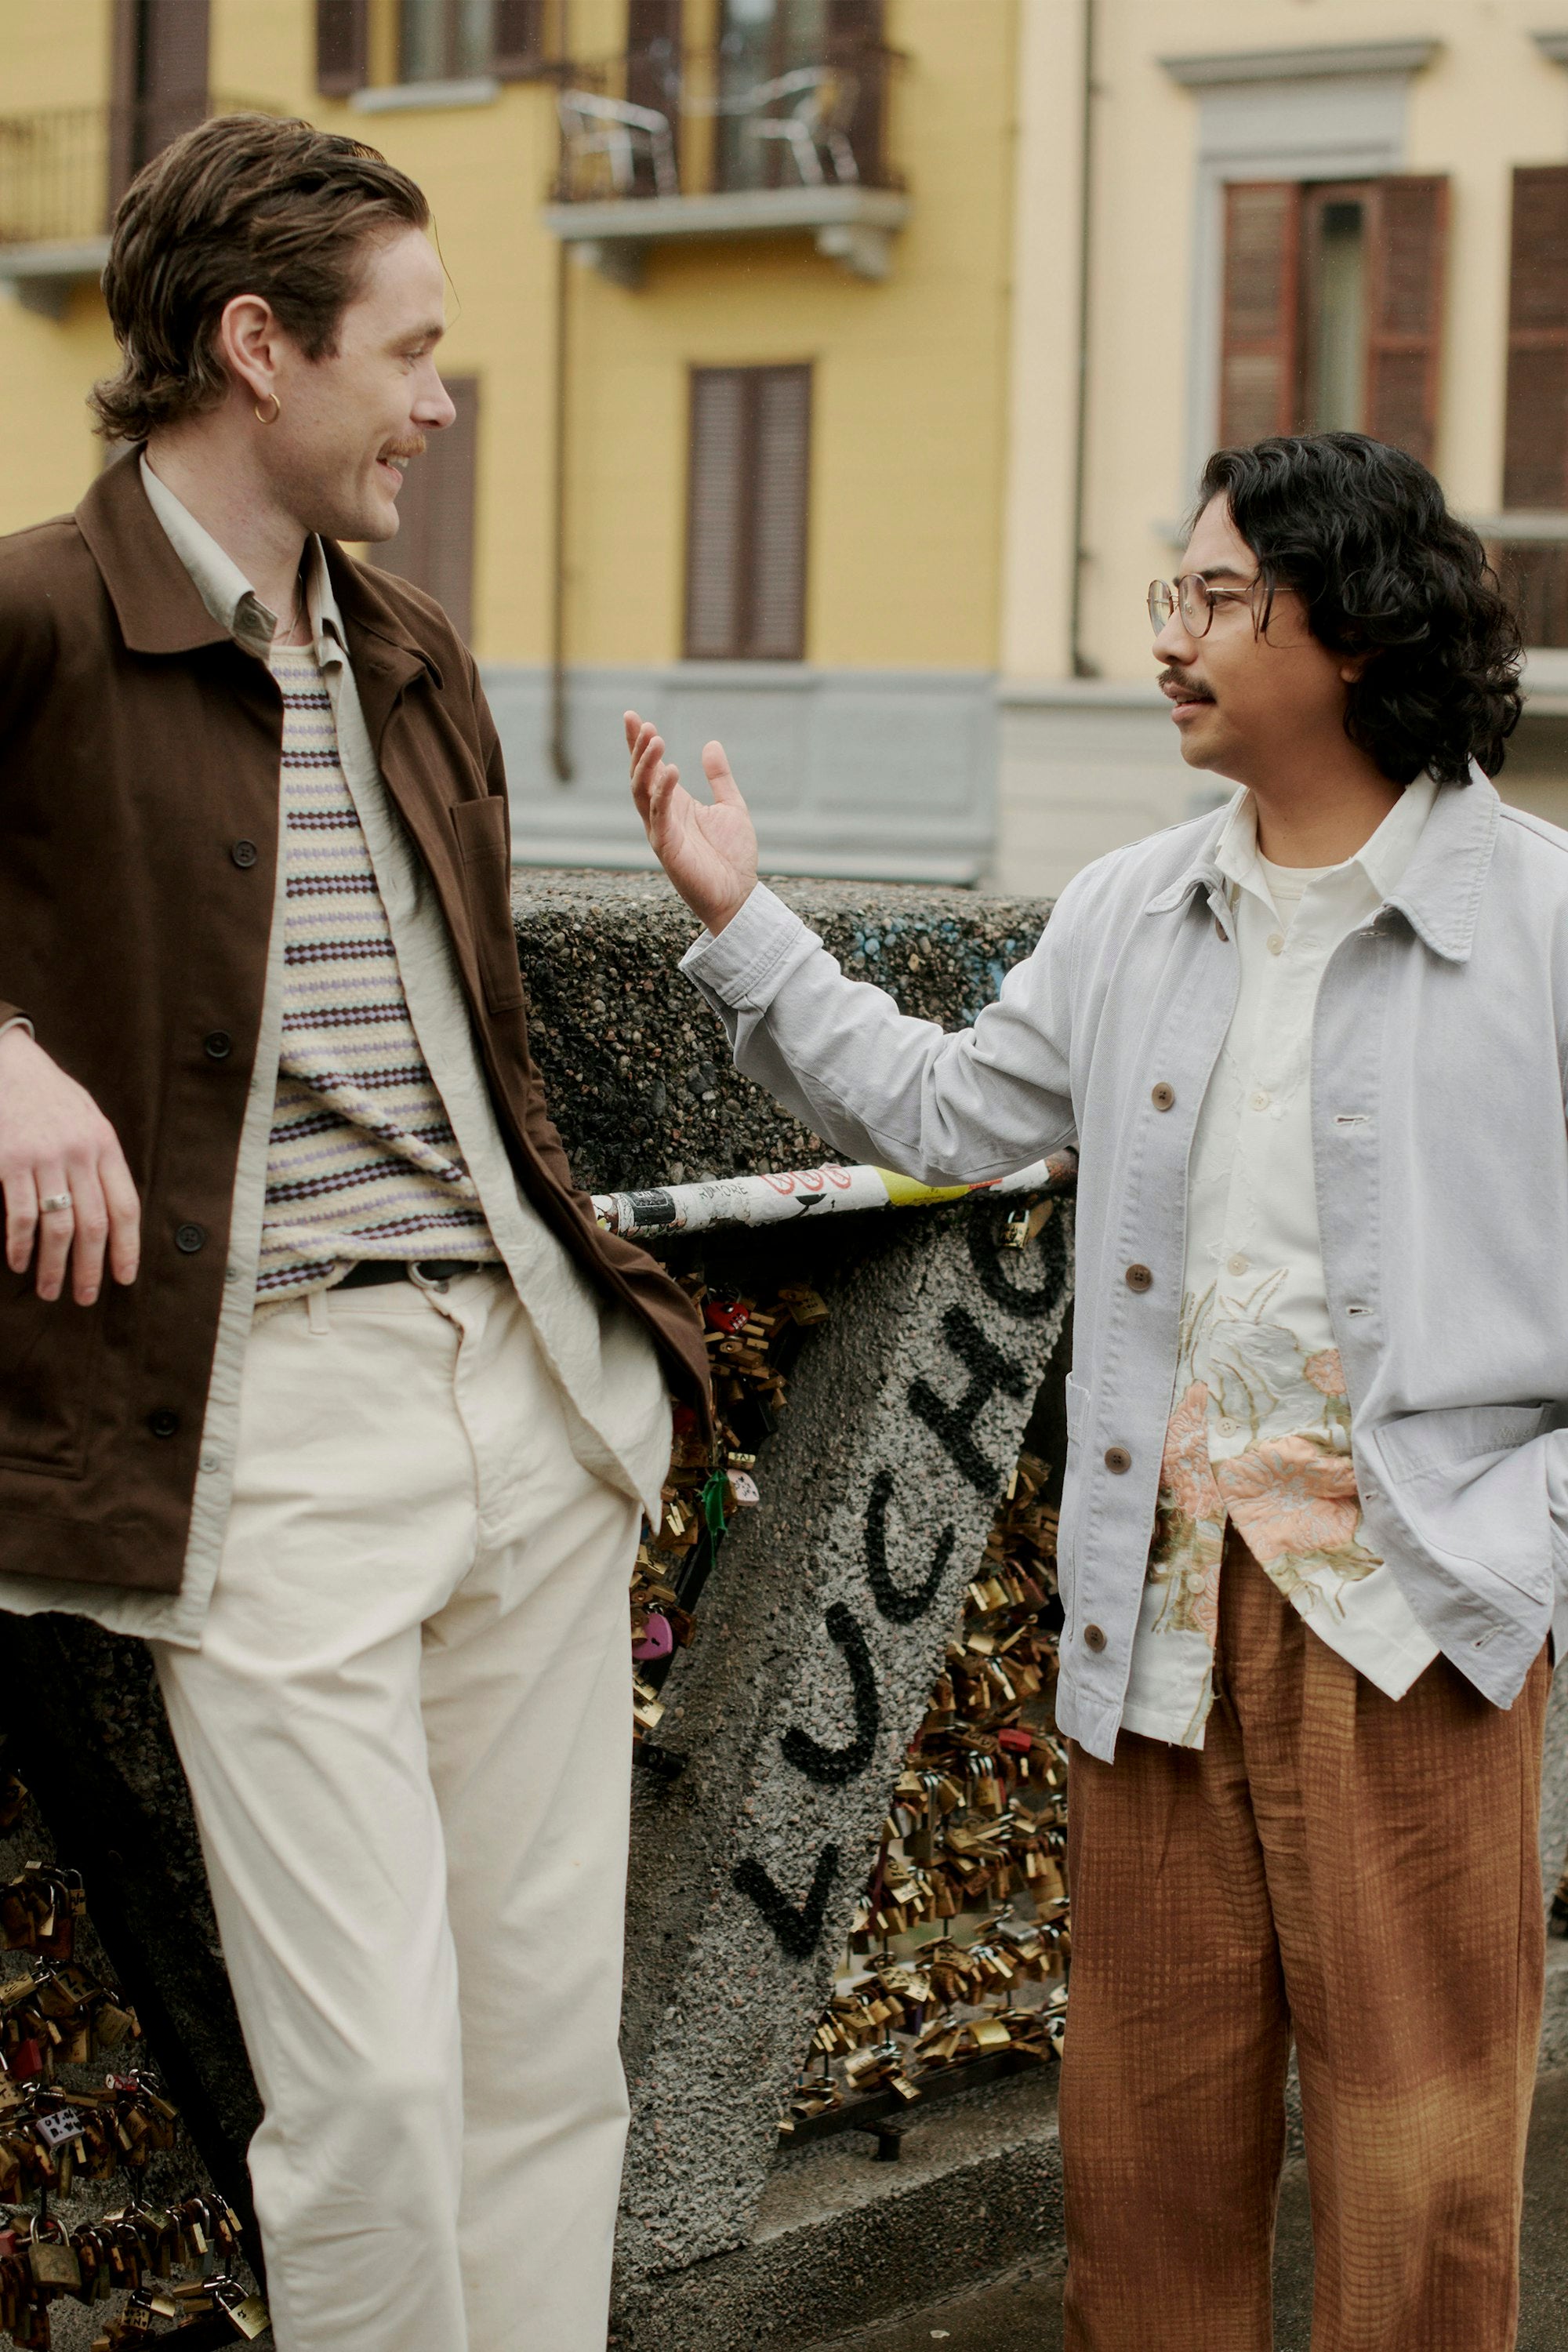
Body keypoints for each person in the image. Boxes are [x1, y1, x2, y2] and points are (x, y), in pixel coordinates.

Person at [627, 431, 1559, 2350]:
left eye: (1217, 596)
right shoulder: (1133, 907)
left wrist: (1523, 1536)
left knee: (1423, 2182)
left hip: (1416, 1625)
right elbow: (943, 1115)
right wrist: (745, 923)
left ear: (1357, 627)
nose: (1169, 637)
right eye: (1172, 591)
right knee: (1141, 2167)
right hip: (1157, 1622)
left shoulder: (1541, 925)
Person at [0, 113, 707, 2352]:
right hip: (267, 1427)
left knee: (542, 2075)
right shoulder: (37, 612)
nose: (439, 403)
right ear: (255, 347)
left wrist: (595, 1382)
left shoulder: (406, 646)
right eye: (406, 353)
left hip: (529, 1395)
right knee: (376, 2098)